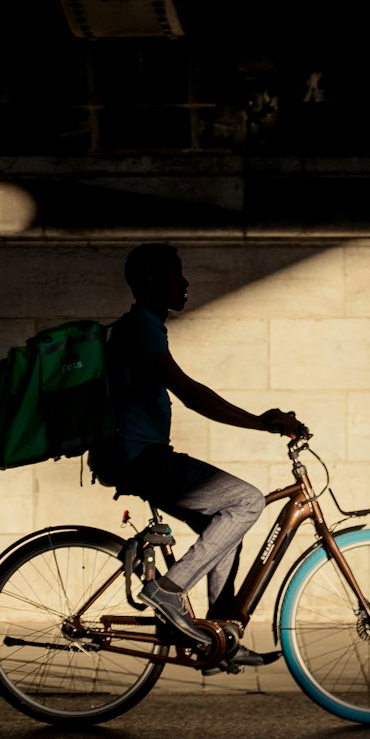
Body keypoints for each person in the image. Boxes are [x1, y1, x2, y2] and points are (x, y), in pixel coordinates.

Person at [90, 242, 303, 661]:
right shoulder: (141, 328)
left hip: (137, 457)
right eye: (176, 274)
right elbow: (189, 393)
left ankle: (217, 639)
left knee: (226, 528)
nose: (185, 283)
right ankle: (168, 590)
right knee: (246, 501)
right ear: (151, 282)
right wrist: (261, 421)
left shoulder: (143, 326)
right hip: (139, 459)